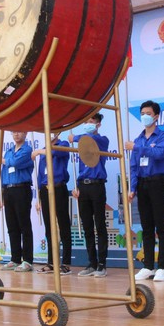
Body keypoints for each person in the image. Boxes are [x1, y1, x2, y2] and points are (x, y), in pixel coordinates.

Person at [126, 101, 164, 282]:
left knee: (161, 226)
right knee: (146, 227)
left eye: (148, 113)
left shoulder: (163, 136)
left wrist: (138, 148)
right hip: (143, 185)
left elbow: (160, 154)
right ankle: (147, 266)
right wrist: (133, 188)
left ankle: (163, 267)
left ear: (156, 116)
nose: (144, 116)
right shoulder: (138, 139)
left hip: (158, 182)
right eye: (142, 113)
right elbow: (134, 166)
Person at [69, 113, 110, 278]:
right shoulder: (82, 143)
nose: (87, 124)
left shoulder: (102, 140)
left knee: (99, 224)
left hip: (97, 185)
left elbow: (86, 139)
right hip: (83, 186)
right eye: (85, 121)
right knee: (87, 227)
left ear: (98, 124)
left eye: (91, 121)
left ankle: (102, 264)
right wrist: (76, 186)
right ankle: (91, 263)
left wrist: (75, 136)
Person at [33, 132, 73, 275]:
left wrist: (39, 151)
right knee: (49, 227)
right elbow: (39, 176)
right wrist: (38, 197)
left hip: (58, 187)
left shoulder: (63, 145)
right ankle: (51, 262)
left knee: (63, 225)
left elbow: (56, 152)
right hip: (45, 190)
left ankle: (66, 263)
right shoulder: (44, 150)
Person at [0, 130, 35, 272]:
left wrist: (4, 161)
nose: (16, 134)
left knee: (24, 225)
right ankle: (15, 258)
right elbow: (3, 172)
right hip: (8, 189)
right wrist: (2, 194)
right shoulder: (8, 151)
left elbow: (16, 162)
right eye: (14, 132)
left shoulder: (27, 149)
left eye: (19, 132)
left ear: (25, 134)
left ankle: (27, 260)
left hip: (21, 188)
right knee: (12, 225)